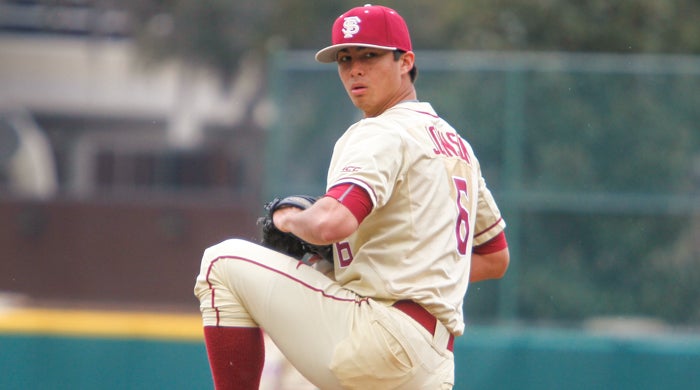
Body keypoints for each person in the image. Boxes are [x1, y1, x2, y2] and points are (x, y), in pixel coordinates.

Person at [194, 4, 509, 389]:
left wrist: (286, 217)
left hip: (379, 339)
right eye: (345, 58)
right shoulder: (458, 147)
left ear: (405, 61)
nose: (355, 69)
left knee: (220, 263)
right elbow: (494, 258)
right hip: (434, 363)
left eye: (370, 55)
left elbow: (330, 223)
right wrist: (409, 267)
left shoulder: (381, 131)